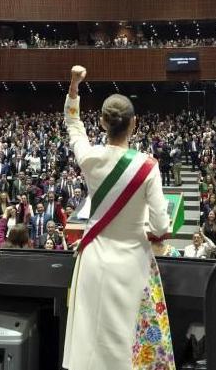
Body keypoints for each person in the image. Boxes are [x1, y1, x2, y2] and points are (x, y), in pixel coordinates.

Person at [61, 65, 174, 370]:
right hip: (133, 262)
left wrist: (74, 85)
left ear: (101, 122)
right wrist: (153, 235)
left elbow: (73, 123)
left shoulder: (90, 158)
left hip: (94, 260)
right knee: (129, 348)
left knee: (90, 345)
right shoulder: (147, 167)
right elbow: (162, 226)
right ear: (134, 124)